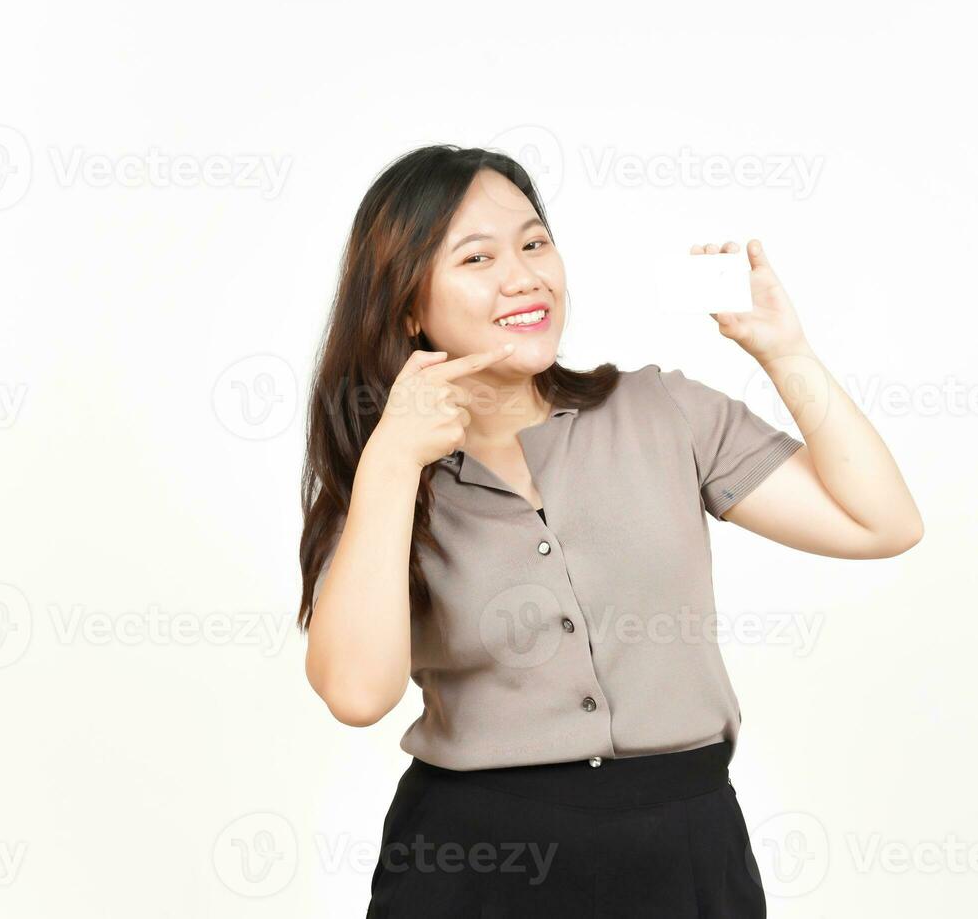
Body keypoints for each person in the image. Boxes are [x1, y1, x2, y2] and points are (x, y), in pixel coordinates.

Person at [297, 144, 924, 916]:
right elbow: (358, 693)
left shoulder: (663, 413)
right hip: (470, 868)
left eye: (534, 243)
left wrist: (784, 352)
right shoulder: (377, 480)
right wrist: (392, 460)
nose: (524, 275)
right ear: (409, 308)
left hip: (686, 849)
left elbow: (881, 522)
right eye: (477, 257)